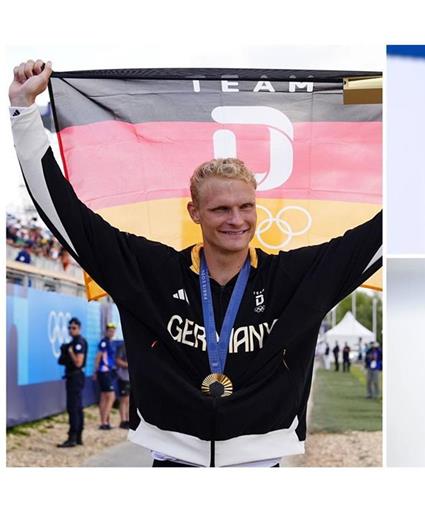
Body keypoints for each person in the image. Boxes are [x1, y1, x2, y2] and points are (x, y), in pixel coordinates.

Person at [10, 59, 382, 467]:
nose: (236, 220)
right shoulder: (149, 271)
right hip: (173, 463)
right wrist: (24, 113)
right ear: (194, 212)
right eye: (221, 209)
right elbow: (66, 217)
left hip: (260, 466)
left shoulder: (294, 278)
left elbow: (380, 236)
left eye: (245, 207)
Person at [56, 317, 88, 448]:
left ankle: (73, 437)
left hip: (75, 377)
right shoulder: (74, 342)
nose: (71, 330)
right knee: (78, 407)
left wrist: (70, 352)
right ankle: (78, 437)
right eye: (69, 327)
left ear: (79, 328)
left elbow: (78, 362)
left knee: (73, 408)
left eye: (74, 328)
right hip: (74, 377)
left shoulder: (78, 343)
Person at [93, 322, 117, 430]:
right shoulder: (104, 342)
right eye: (109, 331)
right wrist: (95, 371)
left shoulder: (110, 342)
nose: (111, 332)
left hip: (107, 371)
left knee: (103, 396)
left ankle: (104, 421)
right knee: (111, 397)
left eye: (113, 331)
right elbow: (98, 357)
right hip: (104, 371)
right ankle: (104, 422)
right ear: (106, 331)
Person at [114, 338, 131, 429]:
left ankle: (128, 419)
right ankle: (123, 420)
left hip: (131, 377)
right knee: (124, 399)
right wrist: (128, 365)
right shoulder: (122, 347)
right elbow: (117, 360)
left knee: (129, 400)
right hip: (123, 377)